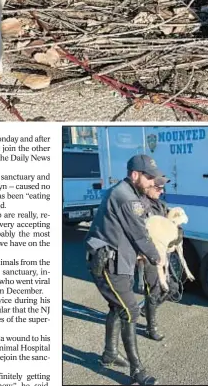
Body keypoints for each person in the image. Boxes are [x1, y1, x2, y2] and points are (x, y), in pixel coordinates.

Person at [85, 154, 168, 386]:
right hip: (108, 264)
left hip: (120, 261)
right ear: (135, 175)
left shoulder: (133, 193)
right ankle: (137, 371)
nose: (154, 182)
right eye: (149, 177)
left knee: (117, 306)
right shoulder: (125, 197)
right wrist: (156, 257)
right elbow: (140, 233)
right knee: (130, 310)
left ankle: (110, 353)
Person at [138, 175, 170, 341]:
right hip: (149, 255)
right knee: (153, 290)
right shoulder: (140, 205)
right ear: (148, 186)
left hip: (163, 255)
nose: (161, 191)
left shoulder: (161, 205)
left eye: (163, 188)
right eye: (158, 188)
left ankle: (146, 309)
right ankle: (151, 327)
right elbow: (138, 232)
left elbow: (170, 227)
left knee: (171, 288)